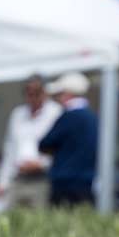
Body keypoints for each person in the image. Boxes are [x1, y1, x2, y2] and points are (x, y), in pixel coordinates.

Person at [0, 75, 63, 208]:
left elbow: (60, 147)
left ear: (44, 92)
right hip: (18, 177)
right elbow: (10, 149)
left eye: (36, 93)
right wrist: (1, 183)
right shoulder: (18, 114)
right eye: (29, 93)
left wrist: (42, 164)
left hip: (42, 179)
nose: (32, 97)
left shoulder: (56, 113)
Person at [39, 72, 98, 207]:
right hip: (86, 181)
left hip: (64, 182)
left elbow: (45, 143)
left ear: (68, 94)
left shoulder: (68, 116)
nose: (58, 99)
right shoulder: (92, 117)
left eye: (59, 94)